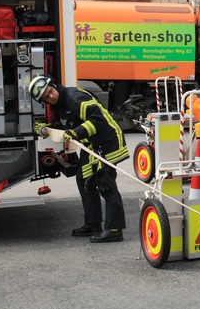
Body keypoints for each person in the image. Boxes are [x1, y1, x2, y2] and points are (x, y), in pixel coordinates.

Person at [29, 75, 129, 243]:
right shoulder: (60, 105)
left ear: (54, 85)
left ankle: (114, 229)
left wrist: (75, 133)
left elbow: (98, 120)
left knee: (104, 182)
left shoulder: (74, 98)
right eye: (46, 97)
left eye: (50, 91)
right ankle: (93, 223)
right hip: (92, 145)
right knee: (83, 179)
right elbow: (69, 125)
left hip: (108, 142)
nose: (51, 96)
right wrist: (46, 129)